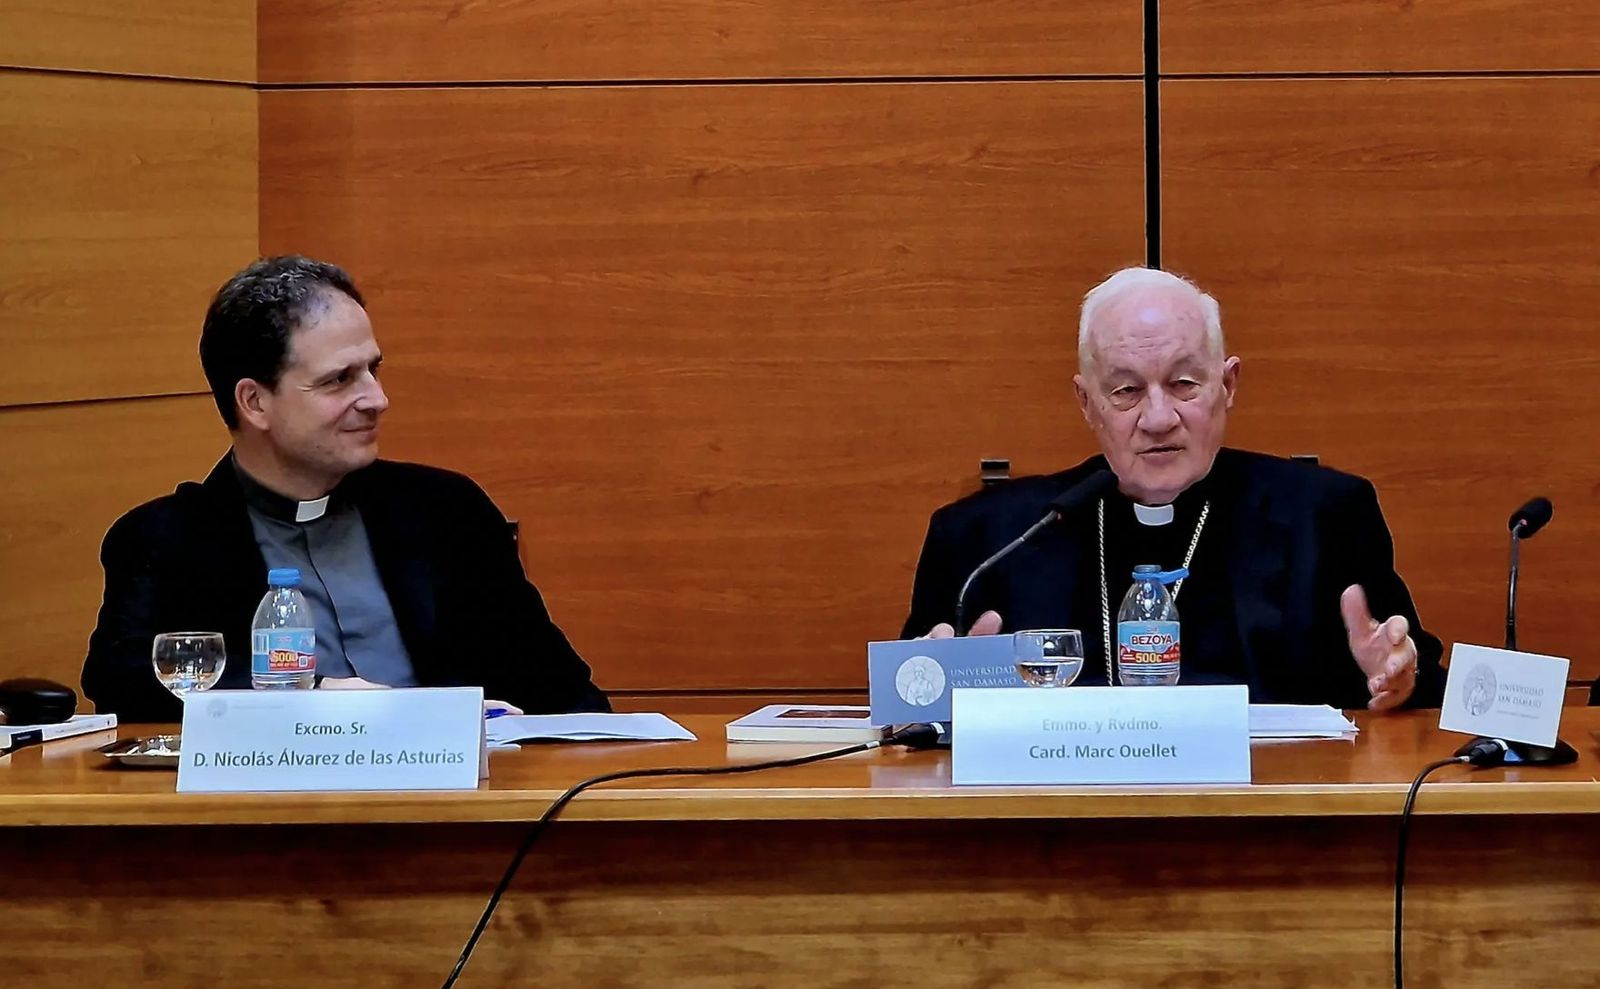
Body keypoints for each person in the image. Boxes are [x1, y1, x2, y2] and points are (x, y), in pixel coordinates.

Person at [83, 256, 609, 721]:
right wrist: (302, 697)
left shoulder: (447, 513)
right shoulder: (166, 539)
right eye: (339, 379)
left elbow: (566, 693)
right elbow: (126, 682)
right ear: (255, 402)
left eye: (373, 370)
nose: (376, 399)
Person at [901, 266, 1443, 711]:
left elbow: (1409, 683)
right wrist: (929, 690)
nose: (1159, 419)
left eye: (1184, 384)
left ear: (1227, 385)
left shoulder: (1325, 519)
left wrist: (1398, 679)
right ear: (1087, 403)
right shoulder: (987, 542)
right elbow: (907, 714)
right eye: (1126, 391)